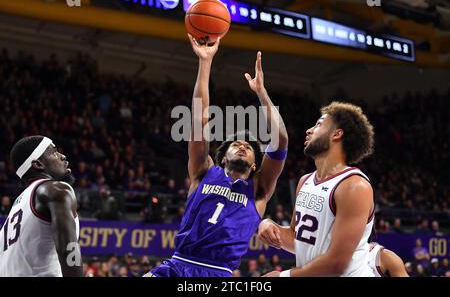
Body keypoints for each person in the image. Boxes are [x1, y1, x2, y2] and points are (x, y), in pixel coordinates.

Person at [145, 35, 288, 277]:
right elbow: (199, 119)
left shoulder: (258, 188)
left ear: (255, 165)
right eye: (235, 144)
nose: (241, 146)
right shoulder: (204, 171)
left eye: (249, 147)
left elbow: (281, 141)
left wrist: (262, 94)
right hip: (177, 265)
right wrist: (205, 61)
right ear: (222, 158)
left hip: (218, 272)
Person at [259, 102, 375, 276]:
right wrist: (268, 225)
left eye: (319, 124)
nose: (309, 130)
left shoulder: (354, 186)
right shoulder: (305, 181)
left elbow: (337, 263)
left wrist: (284, 275)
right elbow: (298, 240)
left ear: (337, 134)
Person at [0, 136, 82, 276]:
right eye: (54, 152)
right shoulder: (57, 190)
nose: (62, 156)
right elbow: (69, 248)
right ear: (38, 164)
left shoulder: (13, 213)